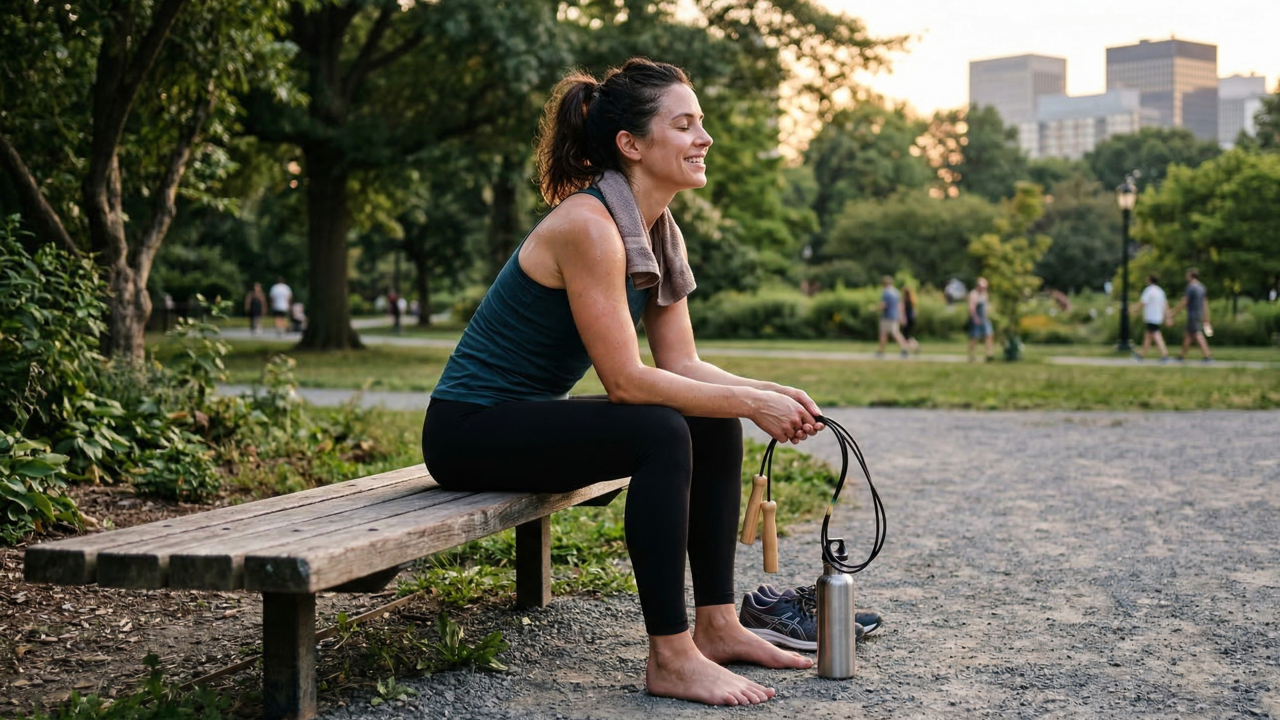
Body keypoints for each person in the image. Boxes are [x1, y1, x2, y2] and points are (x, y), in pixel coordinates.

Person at [421, 59, 826, 707]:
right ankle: (669, 658)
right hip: (468, 430)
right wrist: (753, 400)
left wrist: (765, 394)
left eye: (702, 124)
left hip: (525, 422)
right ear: (631, 145)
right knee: (659, 428)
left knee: (709, 416)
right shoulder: (589, 226)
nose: (705, 138)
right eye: (685, 124)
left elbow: (684, 366)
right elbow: (629, 383)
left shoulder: (657, 229)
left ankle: (717, 627)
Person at [1169, 268, 1212, 362]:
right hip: (1199, 313)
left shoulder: (1191, 287)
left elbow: (1185, 301)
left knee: (1197, 334)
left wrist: (1174, 312)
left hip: (1192, 314)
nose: (1186, 276)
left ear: (1191, 275)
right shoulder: (1202, 287)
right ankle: (1181, 356)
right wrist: (1206, 316)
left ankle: (1207, 355)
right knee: (1188, 335)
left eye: (1187, 274)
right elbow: (1205, 303)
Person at [1133, 274, 1171, 362]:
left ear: (1150, 280)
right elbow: (1165, 304)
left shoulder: (1148, 290)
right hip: (1158, 316)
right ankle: (1141, 354)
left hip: (1151, 316)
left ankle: (1164, 353)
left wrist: (1135, 310)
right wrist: (1167, 317)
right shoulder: (1160, 291)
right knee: (1148, 336)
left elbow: (1143, 302)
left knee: (1156, 335)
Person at [876, 276, 910, 358]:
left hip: (887, 315)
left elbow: (884, 305)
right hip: (895, 315)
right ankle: (903, 349)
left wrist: (875, 308)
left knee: (887, 333)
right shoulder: (896, 292)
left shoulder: (886, 292)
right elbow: (899, 305)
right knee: (893, 333)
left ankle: (882, 351)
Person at [967, 277, 994, 362]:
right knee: (974, 337)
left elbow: (986, 306)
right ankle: (972, 354)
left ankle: (989, 354)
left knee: (989, 335)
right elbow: (971, 308)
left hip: (984, 318)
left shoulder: (984, 294)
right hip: (976, 318)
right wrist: (975, 318)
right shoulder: (973, 294)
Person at [900, 285, 921, 355]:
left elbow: (903, 311)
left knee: (904, 335)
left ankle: (908, 348)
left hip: (906, 319)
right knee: (907, 335)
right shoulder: (912, 300)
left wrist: (902, 319)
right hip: (911, 319)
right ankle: (913, 346)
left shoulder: (905, 300)